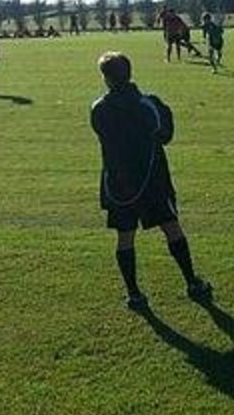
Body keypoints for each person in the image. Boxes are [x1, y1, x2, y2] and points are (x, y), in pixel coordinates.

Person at [90, 52, 213, 310]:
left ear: (106, 78)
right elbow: (165, 135)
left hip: (119, 183)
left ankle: (134, 294)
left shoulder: (99, 108)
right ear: (129, 73)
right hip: (152, 178)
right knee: (171, 227)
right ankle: (192, 282)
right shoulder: (150, 104)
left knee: (125, 237)